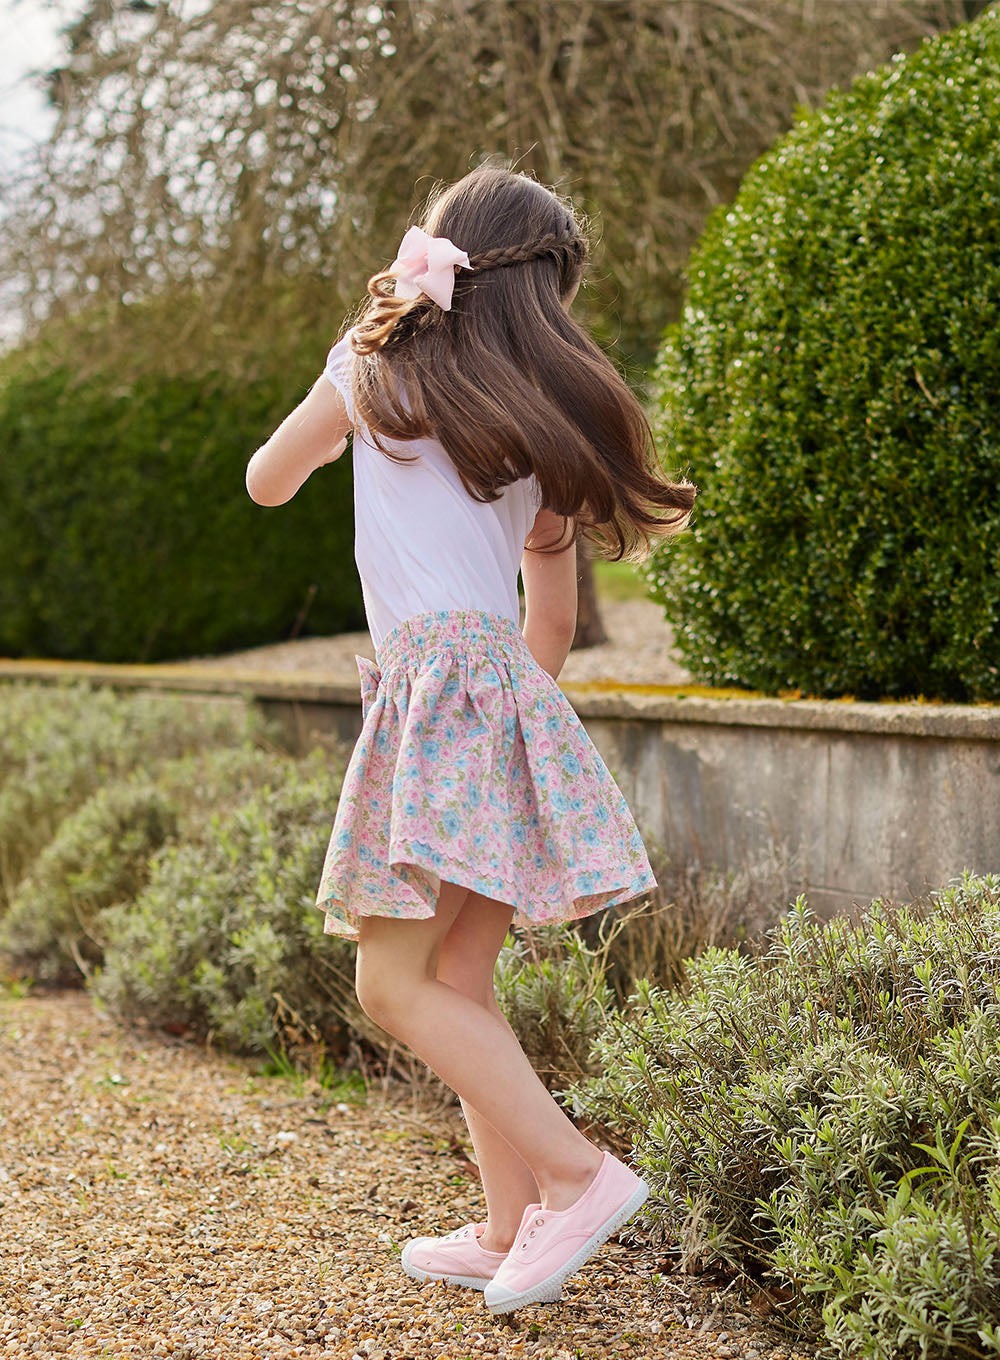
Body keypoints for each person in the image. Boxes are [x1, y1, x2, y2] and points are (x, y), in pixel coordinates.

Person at [245, 163, 696, 1315]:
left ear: (440, 260)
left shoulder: (373, 370)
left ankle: (575, 1176)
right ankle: (507, 1227)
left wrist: (354, 352)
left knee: (391, 984)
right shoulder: (536, 433)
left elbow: (265, 481)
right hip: (504, 698)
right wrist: (493, 713)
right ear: (542, 299)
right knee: (460, 977)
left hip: (440, 689)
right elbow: (548, 629)